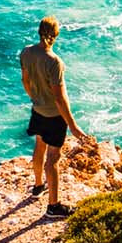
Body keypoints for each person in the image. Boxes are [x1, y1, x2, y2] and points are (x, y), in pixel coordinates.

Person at [20, 15, 89, 218]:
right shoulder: (54, 62)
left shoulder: (26, 53)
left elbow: (25, 81)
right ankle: (53, 206)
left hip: (38, 110)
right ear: (56, 34)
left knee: (39, 146)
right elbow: (59, 98)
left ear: (39, 31)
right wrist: (73, 126)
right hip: (54, 116)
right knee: (54, 158)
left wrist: (35, 98)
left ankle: (38, 186)